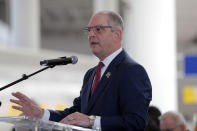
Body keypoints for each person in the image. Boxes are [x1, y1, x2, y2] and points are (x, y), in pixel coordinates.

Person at [10, 11, 152, 131]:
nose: (91, 34)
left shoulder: (132, 71)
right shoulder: (91, 74)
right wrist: (41, 113)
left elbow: (136, 122)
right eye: (89, 30)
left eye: (98, 29)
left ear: (117, 35)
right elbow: (75, 115)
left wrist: (91, 121)